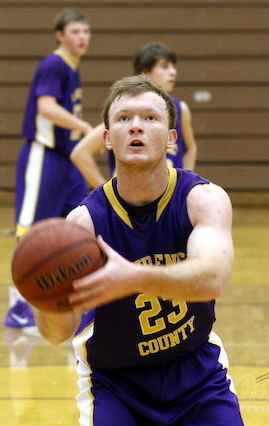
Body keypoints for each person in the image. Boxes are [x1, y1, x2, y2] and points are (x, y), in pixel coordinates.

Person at [35, 75, 243, 425]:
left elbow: (212, 278)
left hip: (196, 372)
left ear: (171, 138)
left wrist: (131, 277)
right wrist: (44, 298)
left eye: (150, 117)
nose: (136, 126)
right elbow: (56, 333)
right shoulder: (83, 224)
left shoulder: (203, 199)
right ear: (107, 139)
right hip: (116, 382)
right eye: (123, 118)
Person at [4, 9, 93, 330]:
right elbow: (46, 106)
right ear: (60, 35)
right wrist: (84, 127)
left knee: (82, 228)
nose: (82, 37)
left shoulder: (72, 67)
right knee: (30, 233)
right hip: (45, 157)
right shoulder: (53, 64)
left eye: (86, 31)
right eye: (75, 31)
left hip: (67, 161)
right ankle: (17, 307)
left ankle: (80, 302)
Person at [70, 42, 198, 188]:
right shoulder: (127, 109)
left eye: (173, 66)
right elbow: (80, 153)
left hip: (168, 193)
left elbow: (190, 148)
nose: (173, 72)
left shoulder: (181, 109)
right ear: (145, 72)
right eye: (165, 66)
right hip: (132, 195)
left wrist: (186, 183)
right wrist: (106, 192)